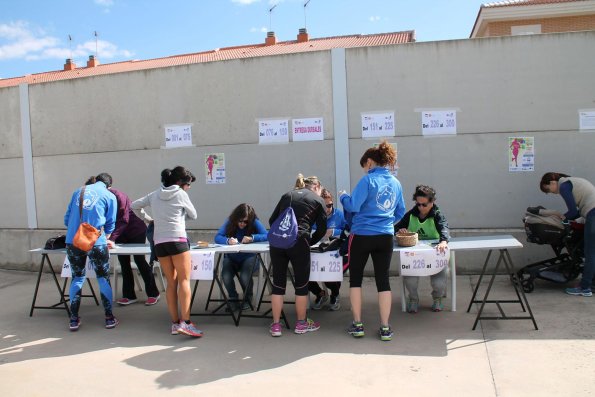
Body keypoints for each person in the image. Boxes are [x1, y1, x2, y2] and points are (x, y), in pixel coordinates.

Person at [339, 140, 405, 341]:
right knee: (383, 280)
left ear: (369, 162)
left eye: (364, 166)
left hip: (361, 235)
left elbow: (354, 206)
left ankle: (358, 325)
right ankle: (385, 327)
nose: (364, 169)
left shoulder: (367, 181)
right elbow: (400, 210)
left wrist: (343, 197)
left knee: (356, 279)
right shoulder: (395, 182)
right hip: (384, 236)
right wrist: (385, 222)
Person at [131, 166, 203, 337]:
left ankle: (175, 323)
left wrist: (148, 219)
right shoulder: (180, 193)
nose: (189, 187)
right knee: (184, 281)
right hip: (177, 240)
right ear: (180, 183)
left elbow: (134, 205)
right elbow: (194, 215)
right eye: (188, 184)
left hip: (159, 242)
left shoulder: (155, 194)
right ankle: (186, 323)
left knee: (171, 283)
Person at [86, 174, 161, 307]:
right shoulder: (97, 198)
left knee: (139, 260)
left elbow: (124, 220)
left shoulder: (118, 196)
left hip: (135, 230)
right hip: (119, 233)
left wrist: (112, 238)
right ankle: (129, 295)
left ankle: (153, 293)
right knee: (123, 261)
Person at [268, 174, 327, 337]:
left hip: (278, 242)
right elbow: (322, 229)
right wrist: (310, 240)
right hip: (299, 241)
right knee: (301, 284)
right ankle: (301, 323)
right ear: (316, 187)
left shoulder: (287, 195)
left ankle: (276, 325)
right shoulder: (317, 200)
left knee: (278, 284)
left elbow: (272, 220)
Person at [64, 176, 118, 331]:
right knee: (102, 278)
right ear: (109, 185)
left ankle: (73, 319)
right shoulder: (109, 195)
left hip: (73, 240)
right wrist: (105, 235)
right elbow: (110, 223)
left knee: (77, 277)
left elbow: (67, 219)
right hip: (96, 241)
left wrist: (77, 228)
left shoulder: (78, 191)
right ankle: (109, 318)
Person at [395, 185, 450, 313]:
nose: (421, 207)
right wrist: (401, 230)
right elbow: (395, 228)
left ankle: (437, 298)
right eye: (418, 204)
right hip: (415, 256)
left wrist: (443, 241)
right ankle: (413, 299)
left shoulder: (437, 214)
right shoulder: (411, 214)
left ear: (432, 202)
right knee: (410, 280)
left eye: (424, 205)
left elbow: (444, 228)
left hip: (435, 254)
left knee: (439, 283)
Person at [540, 172, 595, 297]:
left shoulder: (564, 186)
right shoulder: (573, 181)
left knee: (590, 253)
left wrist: (561, 219)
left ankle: (585, 288)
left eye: (548, 190)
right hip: (591, 212)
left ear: (553, 182)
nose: (553, 193)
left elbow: (573, 212)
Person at [214, 203, 268, 311]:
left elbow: (268, 235)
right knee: (226, 275)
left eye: (245, 222)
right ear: (235, 218)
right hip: (232, 257)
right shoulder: (230, 221)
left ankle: (247, 299)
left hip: (250, 257)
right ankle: (233, 298)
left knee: (245, 276)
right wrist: (227, 241)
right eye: (240, 221)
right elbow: (218, 237)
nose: (242, 224)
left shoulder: (254, 222)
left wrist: (253, 238)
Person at [308, 188, 347, 311]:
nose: (327, 208)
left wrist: (334, 232)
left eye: (330, 205)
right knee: (303, 275)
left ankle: (334, 294)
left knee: (329, 275)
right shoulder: (313, 215)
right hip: (315, 251)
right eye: (324, 206)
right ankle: (320, 293)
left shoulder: (339, 215)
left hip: (335, 252)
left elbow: (350, 231)